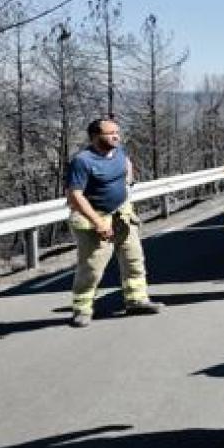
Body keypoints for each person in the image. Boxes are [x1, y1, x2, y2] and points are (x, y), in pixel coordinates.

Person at [67, 118, 164, 327]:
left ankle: (136, 300)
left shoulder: (118, 153)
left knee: (133, 259)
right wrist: (98, 223)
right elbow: (75, 196)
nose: (116, 136)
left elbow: (126, 165)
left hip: (122, 215)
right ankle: (82, 309)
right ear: (95, 137)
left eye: (117, 132)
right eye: (110, 133)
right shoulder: (83, 161)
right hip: (96, 218)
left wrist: (128, 179)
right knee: (92, 267)